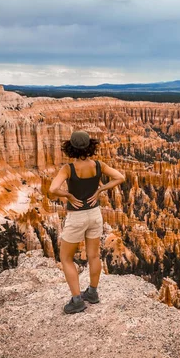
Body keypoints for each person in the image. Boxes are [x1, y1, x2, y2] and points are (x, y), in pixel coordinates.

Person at [48, 131, 125, 314]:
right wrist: (100, 191)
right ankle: (92, 293)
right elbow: (120, 177)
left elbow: (53, 189)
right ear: (89, 146)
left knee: (66, 258)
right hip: (95, 214)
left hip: (77, 216)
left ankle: (77, 301)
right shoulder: (99, 165)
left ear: (71, 148)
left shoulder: (68, 169)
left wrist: (67, 195)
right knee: (94, 255)